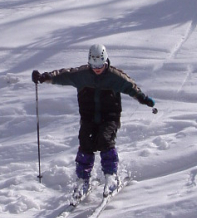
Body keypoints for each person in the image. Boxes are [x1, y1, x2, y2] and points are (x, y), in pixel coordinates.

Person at [32, 43, 155, 197]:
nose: (97, 68)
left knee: (105, 140)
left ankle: (111, 176)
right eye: (94, 65)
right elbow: (64, 75)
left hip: (110, 117)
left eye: (100, 65)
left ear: (106, 61)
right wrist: (45, 77)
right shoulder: (82, 75)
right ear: (89, 62)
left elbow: (131, 86)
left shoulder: (114, 77)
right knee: (85, 142)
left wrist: (144, 99)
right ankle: (83, 179)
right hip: (88, 117)